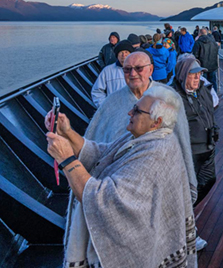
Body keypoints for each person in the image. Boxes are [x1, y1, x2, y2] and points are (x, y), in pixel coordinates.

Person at [45, 87, 197, 267]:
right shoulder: (149, 138)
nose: (129, 112)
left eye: (137, 111)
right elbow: (103, 154)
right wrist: (67, 132)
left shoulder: (156, 154)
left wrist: (67, 160)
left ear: (157, 122)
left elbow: (106, 201)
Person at [83, 52, 197, 203]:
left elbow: (182, 142)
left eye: (138, 68)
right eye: (127, 69)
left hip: (161, 179)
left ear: (150, 70)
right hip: (122, 184)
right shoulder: (111, 102)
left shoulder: (169, 97)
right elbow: (95, 138)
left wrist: (188, 180)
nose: (133, 73)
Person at [174, 55, 218, 251]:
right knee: (187, 190)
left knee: (209, 180)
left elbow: (210, 109)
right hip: (188, 152)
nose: (197, 78)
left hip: (208, 147)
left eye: (199, 74)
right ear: (183, 75)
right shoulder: (173, 96)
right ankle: (185, 227)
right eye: (193, 75)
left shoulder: (203, 90)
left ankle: (182, 213)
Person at [91, 40, 133, 108]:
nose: (123, 55)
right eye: (121, 52)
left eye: (126, 52)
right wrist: (105, 107)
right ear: (117, 55)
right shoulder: (107, 71)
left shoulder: (138, 70)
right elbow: (97, 91)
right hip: (114, 111)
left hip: (134, 111)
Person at [192, 28, 220, 92]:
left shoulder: (198, 42)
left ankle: (205, 96)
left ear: (199, 34)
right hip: (213, 65)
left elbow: (195, 55)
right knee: (213, 82)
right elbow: (216, 51)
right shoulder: (213, 42)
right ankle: (214, 95)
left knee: (203, 82)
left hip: (202, 66)